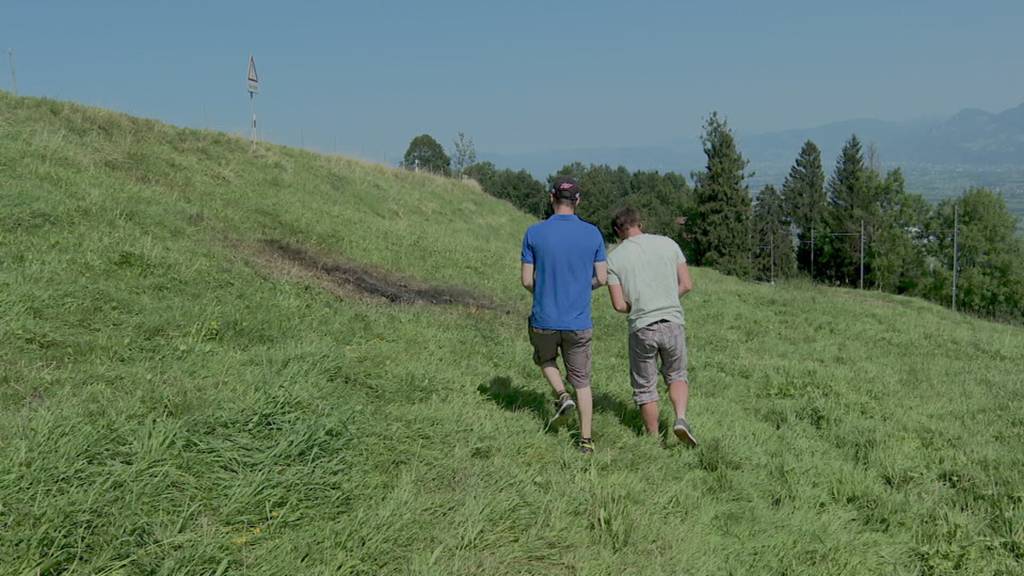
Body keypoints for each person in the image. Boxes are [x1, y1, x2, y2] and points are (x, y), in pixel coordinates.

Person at [521, 177, 607, 454]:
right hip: (578, 321)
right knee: (582, 380)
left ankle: (560, 394)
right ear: (578, 201)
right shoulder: (594, 234)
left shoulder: (534, 233)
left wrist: (545, 288)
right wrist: (582, 285)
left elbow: (526, 280)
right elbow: (602, 278)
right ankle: (585, 440)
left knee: (544, 358)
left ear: (551, 198)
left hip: (544, 317)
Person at [605, 206, 697, 446]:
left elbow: (617, 305)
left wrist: (638, 305)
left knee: (645, 387)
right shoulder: (668, 243)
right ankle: (680, 417)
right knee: (677, 374)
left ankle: (654, 440)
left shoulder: (614, 258)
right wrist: (667, 298)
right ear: (640, 224)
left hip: (642, 326)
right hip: (672, 320)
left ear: (618, 230)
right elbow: (687, 284)